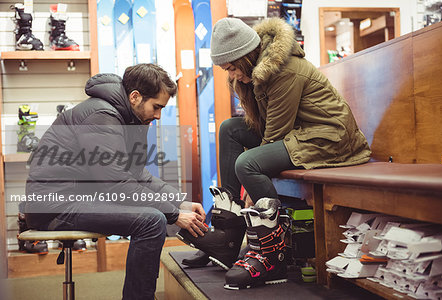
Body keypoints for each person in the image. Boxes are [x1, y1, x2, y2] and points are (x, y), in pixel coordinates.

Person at [179, 17, 371, 289]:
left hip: (328, 137)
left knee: (247, 164)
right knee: (229, 129)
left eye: (232, 67)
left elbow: (274, 134)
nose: (231, 75)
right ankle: (228, 237)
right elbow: (262, 124)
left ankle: (272, 251)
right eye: (226, 70)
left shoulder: (286, 71)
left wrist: (248, 181)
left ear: (247, 57)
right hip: (299, 131)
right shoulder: (254, 74)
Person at [24, 63, 207, 299]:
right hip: (54, 206)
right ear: (135, 97)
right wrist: (173, 214)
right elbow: (116, 184)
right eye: (157, 107)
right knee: (151, 221)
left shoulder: (131, 120)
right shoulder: (102, 116)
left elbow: (138, 174)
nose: (159, 115)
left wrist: (179, 202)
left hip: (74, 199)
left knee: (154, 217)